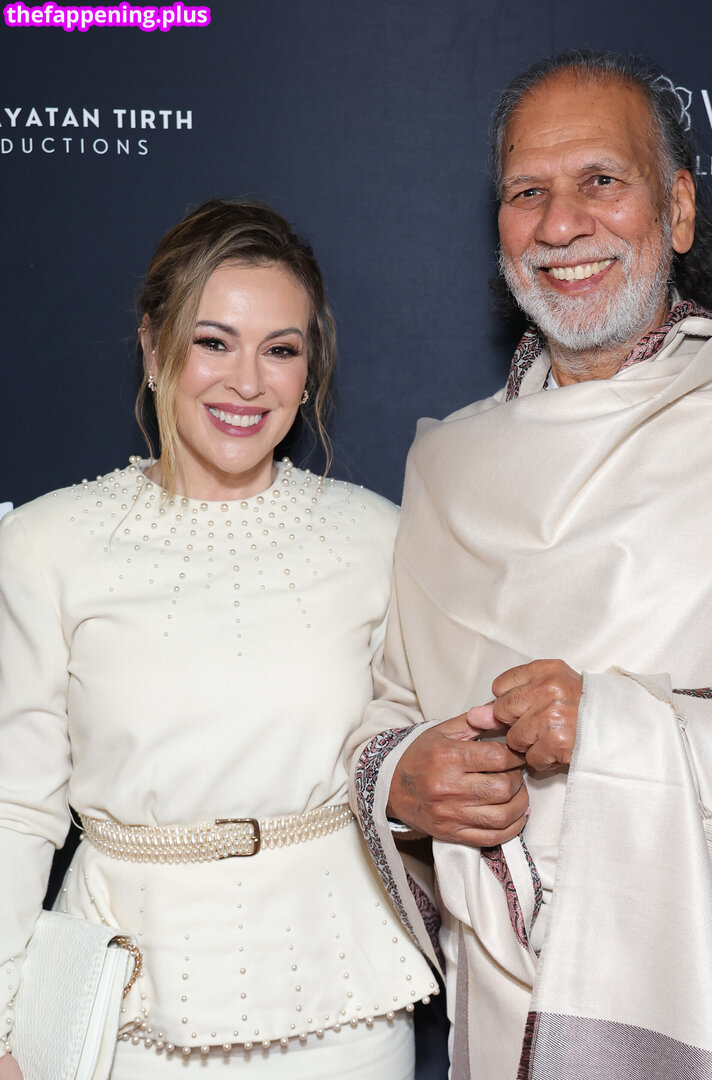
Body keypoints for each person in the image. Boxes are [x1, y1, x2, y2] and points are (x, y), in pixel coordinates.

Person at [347, 51, 712, 1079]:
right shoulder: (448, 464)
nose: (559, 226)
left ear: (677, 210)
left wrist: (615, 728)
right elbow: (390, 703)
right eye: (526, 192)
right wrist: (403, 779)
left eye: (600, 181)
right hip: (501, 1022)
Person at [0, 198, 439, 1080]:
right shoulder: (46, 543)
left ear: (308, 371)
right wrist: (6, 1022)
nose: (247, 382)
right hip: (123, 1014)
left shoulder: (378, 536)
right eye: (213, 342)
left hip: (345, 1010)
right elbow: (15, 808)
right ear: (153, 345)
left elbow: (418, 765)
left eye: (280, 350)